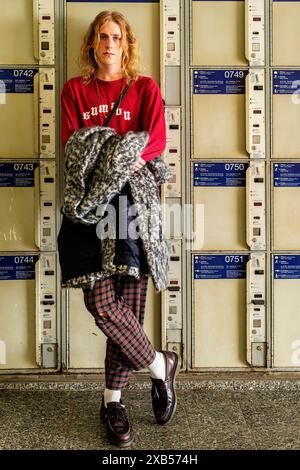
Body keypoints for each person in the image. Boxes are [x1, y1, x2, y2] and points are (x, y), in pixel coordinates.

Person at [58, 11, 179, 448]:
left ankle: (112, 402)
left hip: (135, 210)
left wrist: (108, 149)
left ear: (126, 45)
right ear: (91, 44)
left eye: (117, 37)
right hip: (90, 208)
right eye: (102, 37)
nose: (109, 44)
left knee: (128, 307)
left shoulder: (144, 88)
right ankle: (160, 364)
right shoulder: (76, 89)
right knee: (104, 306)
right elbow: (74, 149)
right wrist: (122, 149)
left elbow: (155, 143)